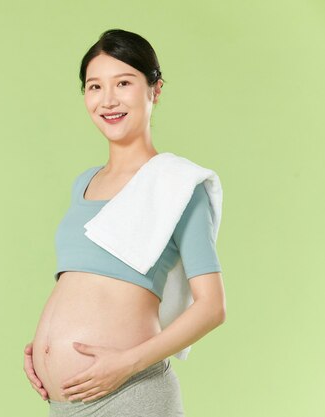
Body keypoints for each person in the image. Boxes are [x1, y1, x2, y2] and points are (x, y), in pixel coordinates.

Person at [22, 29, 227, 416]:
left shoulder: (176, 184)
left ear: (155, 89)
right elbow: (85, 287)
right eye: (94, 86)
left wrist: (126, 364)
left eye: (124, 83)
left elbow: (212, 306)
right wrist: (44, 349)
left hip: (130, 394)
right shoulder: (84, 183)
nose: (108, 99)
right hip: (63, 403)